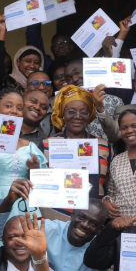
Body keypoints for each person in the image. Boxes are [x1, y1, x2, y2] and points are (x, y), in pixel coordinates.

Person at [0, 89, 45, 247]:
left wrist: (34, 170)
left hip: (23, 205)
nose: (14, 111)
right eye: (8, 106)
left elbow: (42, 190)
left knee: (25, 249)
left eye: (19, 108)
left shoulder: (30, 146)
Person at [41, 85, 112, 220]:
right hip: (55, 217)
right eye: (71, 111)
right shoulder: (47, 145)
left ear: (90, 116)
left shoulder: (104, 146)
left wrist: (108, 201)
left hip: (92, 219)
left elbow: (110, 185)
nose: (78, 116)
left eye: (84, 112)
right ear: (63, 113)